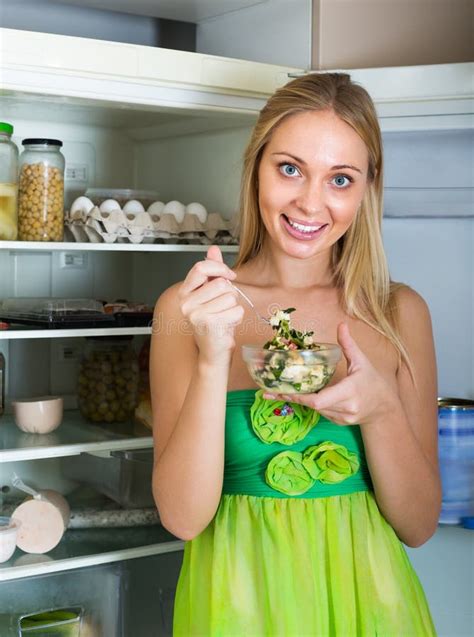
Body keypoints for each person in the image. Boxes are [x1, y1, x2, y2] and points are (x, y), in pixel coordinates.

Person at [150, 72, 440, 636]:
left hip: (373, 610)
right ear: (256, 167)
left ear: (367, 188)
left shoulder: (399, 312)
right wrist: (214, 358)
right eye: (289, 169)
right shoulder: (186, 308)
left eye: (340, 179)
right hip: (234, 611)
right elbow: (183, 519)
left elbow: (420, 524)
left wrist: (380, 411)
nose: (311, 201)